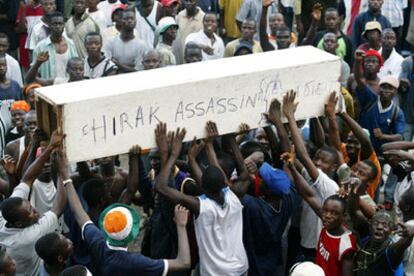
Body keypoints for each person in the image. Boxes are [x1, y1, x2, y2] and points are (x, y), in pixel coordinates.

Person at [63, 146, 191, 275]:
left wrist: (63, 175)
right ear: (131, 233)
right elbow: (184, 263)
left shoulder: (92, 235)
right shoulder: (133, 262)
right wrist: (181, 225)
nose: (110, 193)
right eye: (108, 193)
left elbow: (77, 210)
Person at [154, 122, 249, 275]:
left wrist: (172, 154)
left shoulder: (200, 206)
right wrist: (204, 149)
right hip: (240, 267)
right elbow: (241, 172)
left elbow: (161, 187)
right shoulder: (234, 196)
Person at [283, 90, 340, 260]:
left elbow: (302, 156)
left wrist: (291, 117)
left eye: (324, 161)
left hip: (318, 249)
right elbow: (293, 155)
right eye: (317, 159)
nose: (318, 163)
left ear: (334, 166)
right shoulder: (311, 177)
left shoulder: (329, 186)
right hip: (305, 242)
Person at [0, 131, 66, 276]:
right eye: (31, 212)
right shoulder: (26, 238)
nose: (35, 210)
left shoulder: (6, 216)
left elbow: (27, 179)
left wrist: (49, 148)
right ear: (18, 224)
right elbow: (58, 208)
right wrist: (62, 172)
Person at [355, 50, 405, 156]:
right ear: (379, 88)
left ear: (395, 91)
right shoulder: (371, 100)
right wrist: (358, 62)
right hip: (361, 150)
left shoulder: (397, 112)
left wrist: (383, 136)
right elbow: (359, 79)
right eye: (383, 87)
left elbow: (399, 136)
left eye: (390, 88)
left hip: (381, 154)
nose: (386, 90)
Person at [26, 11, 78, 81]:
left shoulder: (71, 44)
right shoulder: (40, 47)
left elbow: (76, 67)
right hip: (48, 89)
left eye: (60, 24)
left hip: (68, 88)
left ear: (64, 25)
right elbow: (31, 77)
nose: (58, 26)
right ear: (49, 25)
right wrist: (38, 63)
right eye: (54, 24)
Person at [104, 8, 149, 73]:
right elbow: (107, 67)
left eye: (132, 18)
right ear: (121, 21)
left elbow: (138, 71)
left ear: (135, 22)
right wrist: (130, 67)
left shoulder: (141, 45)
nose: (130, 21)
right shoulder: (111, 43)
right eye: (126, 19)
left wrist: (117, 64)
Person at [173, 0, 205, 64]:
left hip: (197, 59)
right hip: (182, 57)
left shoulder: (203, 17)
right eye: (186, 1)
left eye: (191, 1)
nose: (188, 3)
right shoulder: (180, 15)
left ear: (196, 2)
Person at [399, 52, 414, 141]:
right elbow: (401, 88)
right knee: (404, 143)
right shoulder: (408, 62)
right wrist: (403, 84)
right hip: (408, 114)